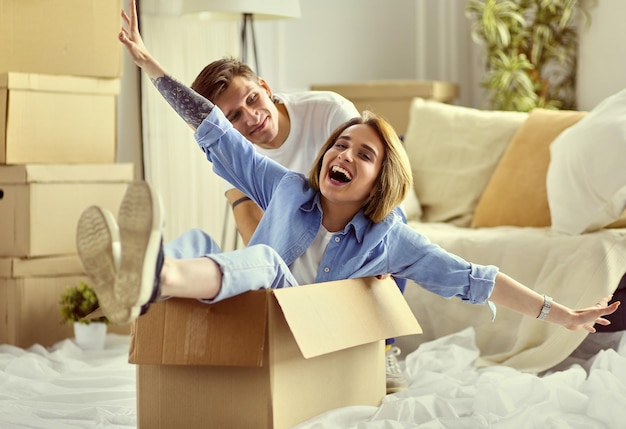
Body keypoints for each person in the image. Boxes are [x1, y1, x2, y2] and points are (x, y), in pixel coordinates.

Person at [78, 0, 620, 392]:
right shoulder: (286, 186)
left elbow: (475, 278)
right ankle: (148, 272)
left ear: (380, 179)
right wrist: (149, 64)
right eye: (341, 145)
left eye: (365, 155)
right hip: (252, 301)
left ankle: (156, 276)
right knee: (202, 241)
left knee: (263, 259)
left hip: (303, 323)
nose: (345, 156)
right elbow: (212, 126)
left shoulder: (391, 242)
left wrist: (562, 312)